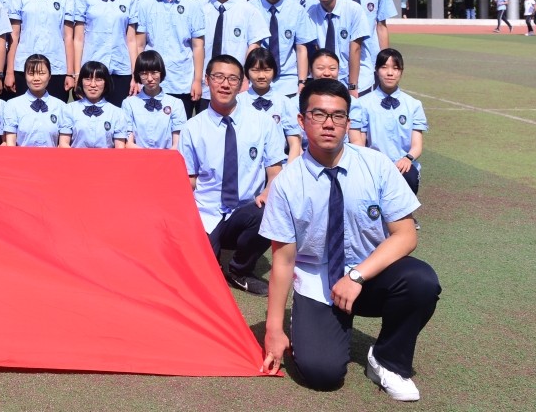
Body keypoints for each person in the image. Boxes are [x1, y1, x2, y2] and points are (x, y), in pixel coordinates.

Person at [259, 78, 440, 400]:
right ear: (302, 120)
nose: (329, 123)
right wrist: (274, 328)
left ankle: (387, 360)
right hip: (318, 282)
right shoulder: (287, 184)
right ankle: (315, 326)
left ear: (348, 121)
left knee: (421, 281)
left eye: (338, 115)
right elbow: (283, 261)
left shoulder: (376, 164)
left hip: (369, 274)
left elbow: (406, 235)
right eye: (318, 114)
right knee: (322, 374)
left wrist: (356, 276)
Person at [179, 53, 284, 296]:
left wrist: (268, 192)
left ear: (242, 83)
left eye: (232, 79)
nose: (225, 84)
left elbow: (275, 170)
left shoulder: (263, 123)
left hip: (246, 210)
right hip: (206, 212)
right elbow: (189, 180)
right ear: (207, 80)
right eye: (218, 77)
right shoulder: (192, 128)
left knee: (271, 208)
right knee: (201, 281)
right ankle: (208, 253)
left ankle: (240, 270)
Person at [128, 0, 206, 108]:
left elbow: (198, 46)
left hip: (182, 81)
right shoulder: (144, 5)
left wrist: (197, 80)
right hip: (151, 81)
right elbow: (139, 45)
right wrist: (136, 78)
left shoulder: (192, 5)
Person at [351, 49, 427, 194]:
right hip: (373, 164)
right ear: (376, 70)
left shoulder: (414, 105)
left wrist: (407, 159)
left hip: (403, 164)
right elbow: (359, 143)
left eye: (395, 68)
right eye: (384, 67)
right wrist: (370, 164)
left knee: (409, 178)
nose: (390, 73)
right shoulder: (362, 104)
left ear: (401, 72)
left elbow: (417, 146)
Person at [69, 0, 134, 106]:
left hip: (121, 69)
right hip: (92, 70)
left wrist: (134, 75)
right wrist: (77, 73)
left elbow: (132, 40)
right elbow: (78, 38)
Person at [201, 0, 268, 112]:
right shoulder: (201, 11)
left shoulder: (249, 11)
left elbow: (254, 47)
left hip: (236, 84)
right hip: (206, 85)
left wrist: (245, 78)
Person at [7, 0, 73, 98]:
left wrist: (70, 73)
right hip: (24, 66)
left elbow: (68, 37)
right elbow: (14, 35)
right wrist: (10, 72)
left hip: (56, 67)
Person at [307, 0, 372, 94]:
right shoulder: (310, 13)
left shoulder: (353, 10)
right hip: (325, 79)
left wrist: (352, 86)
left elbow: (355, 49)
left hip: (355, 79)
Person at [254, 0, 313, 97]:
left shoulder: (297, 10)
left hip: (288, 82)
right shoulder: (250, 9)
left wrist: (302, 82)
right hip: (257, 80)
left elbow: (301, 48)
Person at [243, 46, 302, 162]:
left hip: (279, 164)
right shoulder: (238, 102)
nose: (261, 76)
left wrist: (288, 169)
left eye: (267, 70)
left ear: (274, 71)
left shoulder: (284, 102)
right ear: (247, 72)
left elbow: (295, 142)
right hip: (246, 165)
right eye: (255, 70)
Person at [122, 49, 186, 150]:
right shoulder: (129, 103)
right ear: (138, 75)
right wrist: (149, 156)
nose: (150, 78)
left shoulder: (175, 103)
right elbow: (128, 143)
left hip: (167, 158)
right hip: (138, 157)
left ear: (161, 73)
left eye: (154, 73)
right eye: (144, 73)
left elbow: (177, 144)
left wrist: (161, 157)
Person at [2, 54, 67, 146]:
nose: (36, 78)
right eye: (31, 74)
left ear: (49, 76)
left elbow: (63, 144)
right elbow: (10, 143)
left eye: (41, 73)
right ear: (25, 76)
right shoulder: (13, 105)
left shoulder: (61, 106)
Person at [62, 61, 128, 148]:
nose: (93, 85)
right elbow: (63, 144)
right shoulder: (69, 109)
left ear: (106, 83)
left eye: (98, 80)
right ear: (81, 81)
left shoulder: (117, 113)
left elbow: (120, 148)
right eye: (88, 79)